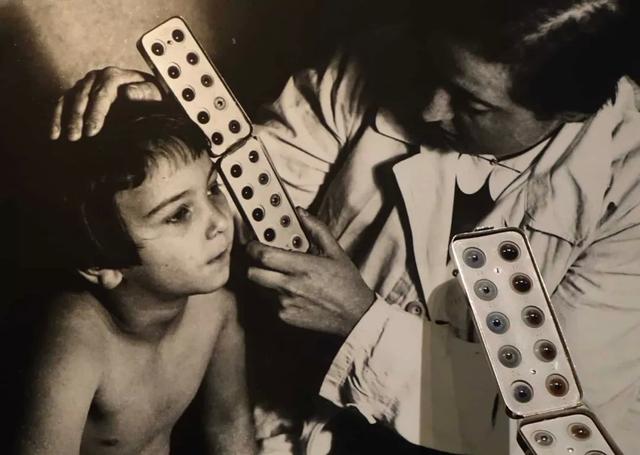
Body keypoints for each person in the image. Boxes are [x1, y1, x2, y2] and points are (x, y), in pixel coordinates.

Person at [50, 0, 640, 453]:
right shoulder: (379, 60)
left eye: (472, 104)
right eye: (433, 69)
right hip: (297, 420)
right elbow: (244, 194)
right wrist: (166, 130)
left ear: (569, 113)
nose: (429, 109)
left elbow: (553, 426)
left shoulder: (627, 188)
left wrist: (362, 323)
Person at [17, 112, 257, 454]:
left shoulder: (217, 309)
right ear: (101, 264)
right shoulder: (76, 342)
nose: (219, 220)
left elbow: (229, 424)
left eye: (213, 188)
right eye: (179, 214)